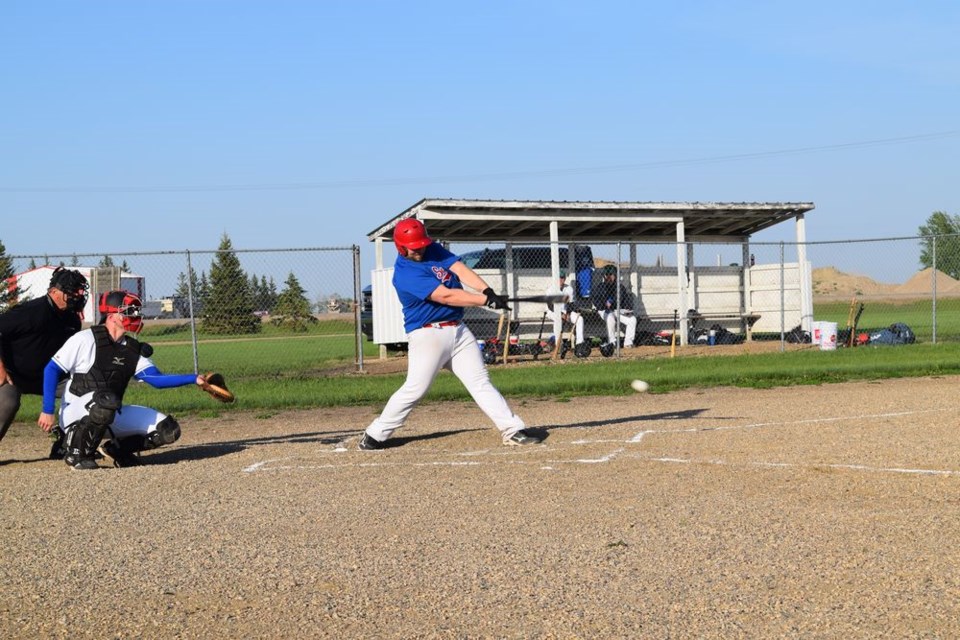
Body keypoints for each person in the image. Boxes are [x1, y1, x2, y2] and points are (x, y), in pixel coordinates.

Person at [359, 218, 541, 450]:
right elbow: (446, 295)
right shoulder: (405, 274)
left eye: (422, 245)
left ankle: (512, 429)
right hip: (428, 336)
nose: (420, 250)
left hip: (457, 329)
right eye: (414, 248)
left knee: (480, 382)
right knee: (415, 389)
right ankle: (375, 434)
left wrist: (487, 290)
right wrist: (485, 301)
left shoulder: (431, 248)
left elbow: (460, 269)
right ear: (401, 247)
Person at [37, 289, 211, 469]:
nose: (135, 315)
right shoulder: (85, 339)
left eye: (135, 310)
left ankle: (117, 450)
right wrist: (47, 410)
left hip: (109, 411)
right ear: (112, 315)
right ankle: (77, 454)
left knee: (167, 430)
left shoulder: (131, 349)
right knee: (105, 401)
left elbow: (156, 379)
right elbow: (51, 369)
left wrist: (194, 378)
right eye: (128, 311)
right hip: (75, 412)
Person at [0, 267, 88, 452]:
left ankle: (68, 444)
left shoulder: (72, 320)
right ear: (54, 291)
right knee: (8, 401)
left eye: (79, 292)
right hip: (12, 375)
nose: (77, 297)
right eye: (71, 292)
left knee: (88, 391)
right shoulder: (31, 311)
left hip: (50, 378)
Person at [591, 264, 637, 349]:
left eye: (611, 275)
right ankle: (612, 342)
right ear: (604, 276)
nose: (609, 277)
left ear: (615, 276)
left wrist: (627, 309)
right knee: (610, 317)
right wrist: (604, 305)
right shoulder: (600, 287)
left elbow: (626, 301)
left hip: (617, 310)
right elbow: (596, 303)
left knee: (632, 319)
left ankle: (628, 343)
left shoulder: (620, 287)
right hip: (604, 311)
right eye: (607, 275)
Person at [545, 270, 585, 348]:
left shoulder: (569, 289)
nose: (560, 280)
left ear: (565, 279)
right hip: (552, 312)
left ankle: (579, 344)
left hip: (565, 311)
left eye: (562, 278)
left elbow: (571, 304)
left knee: (579, 319)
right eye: (559, 278)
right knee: (558, 319)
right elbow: (550, 306)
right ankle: (557, 343)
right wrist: (561, 315)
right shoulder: (550, 290)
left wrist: (569, 313)